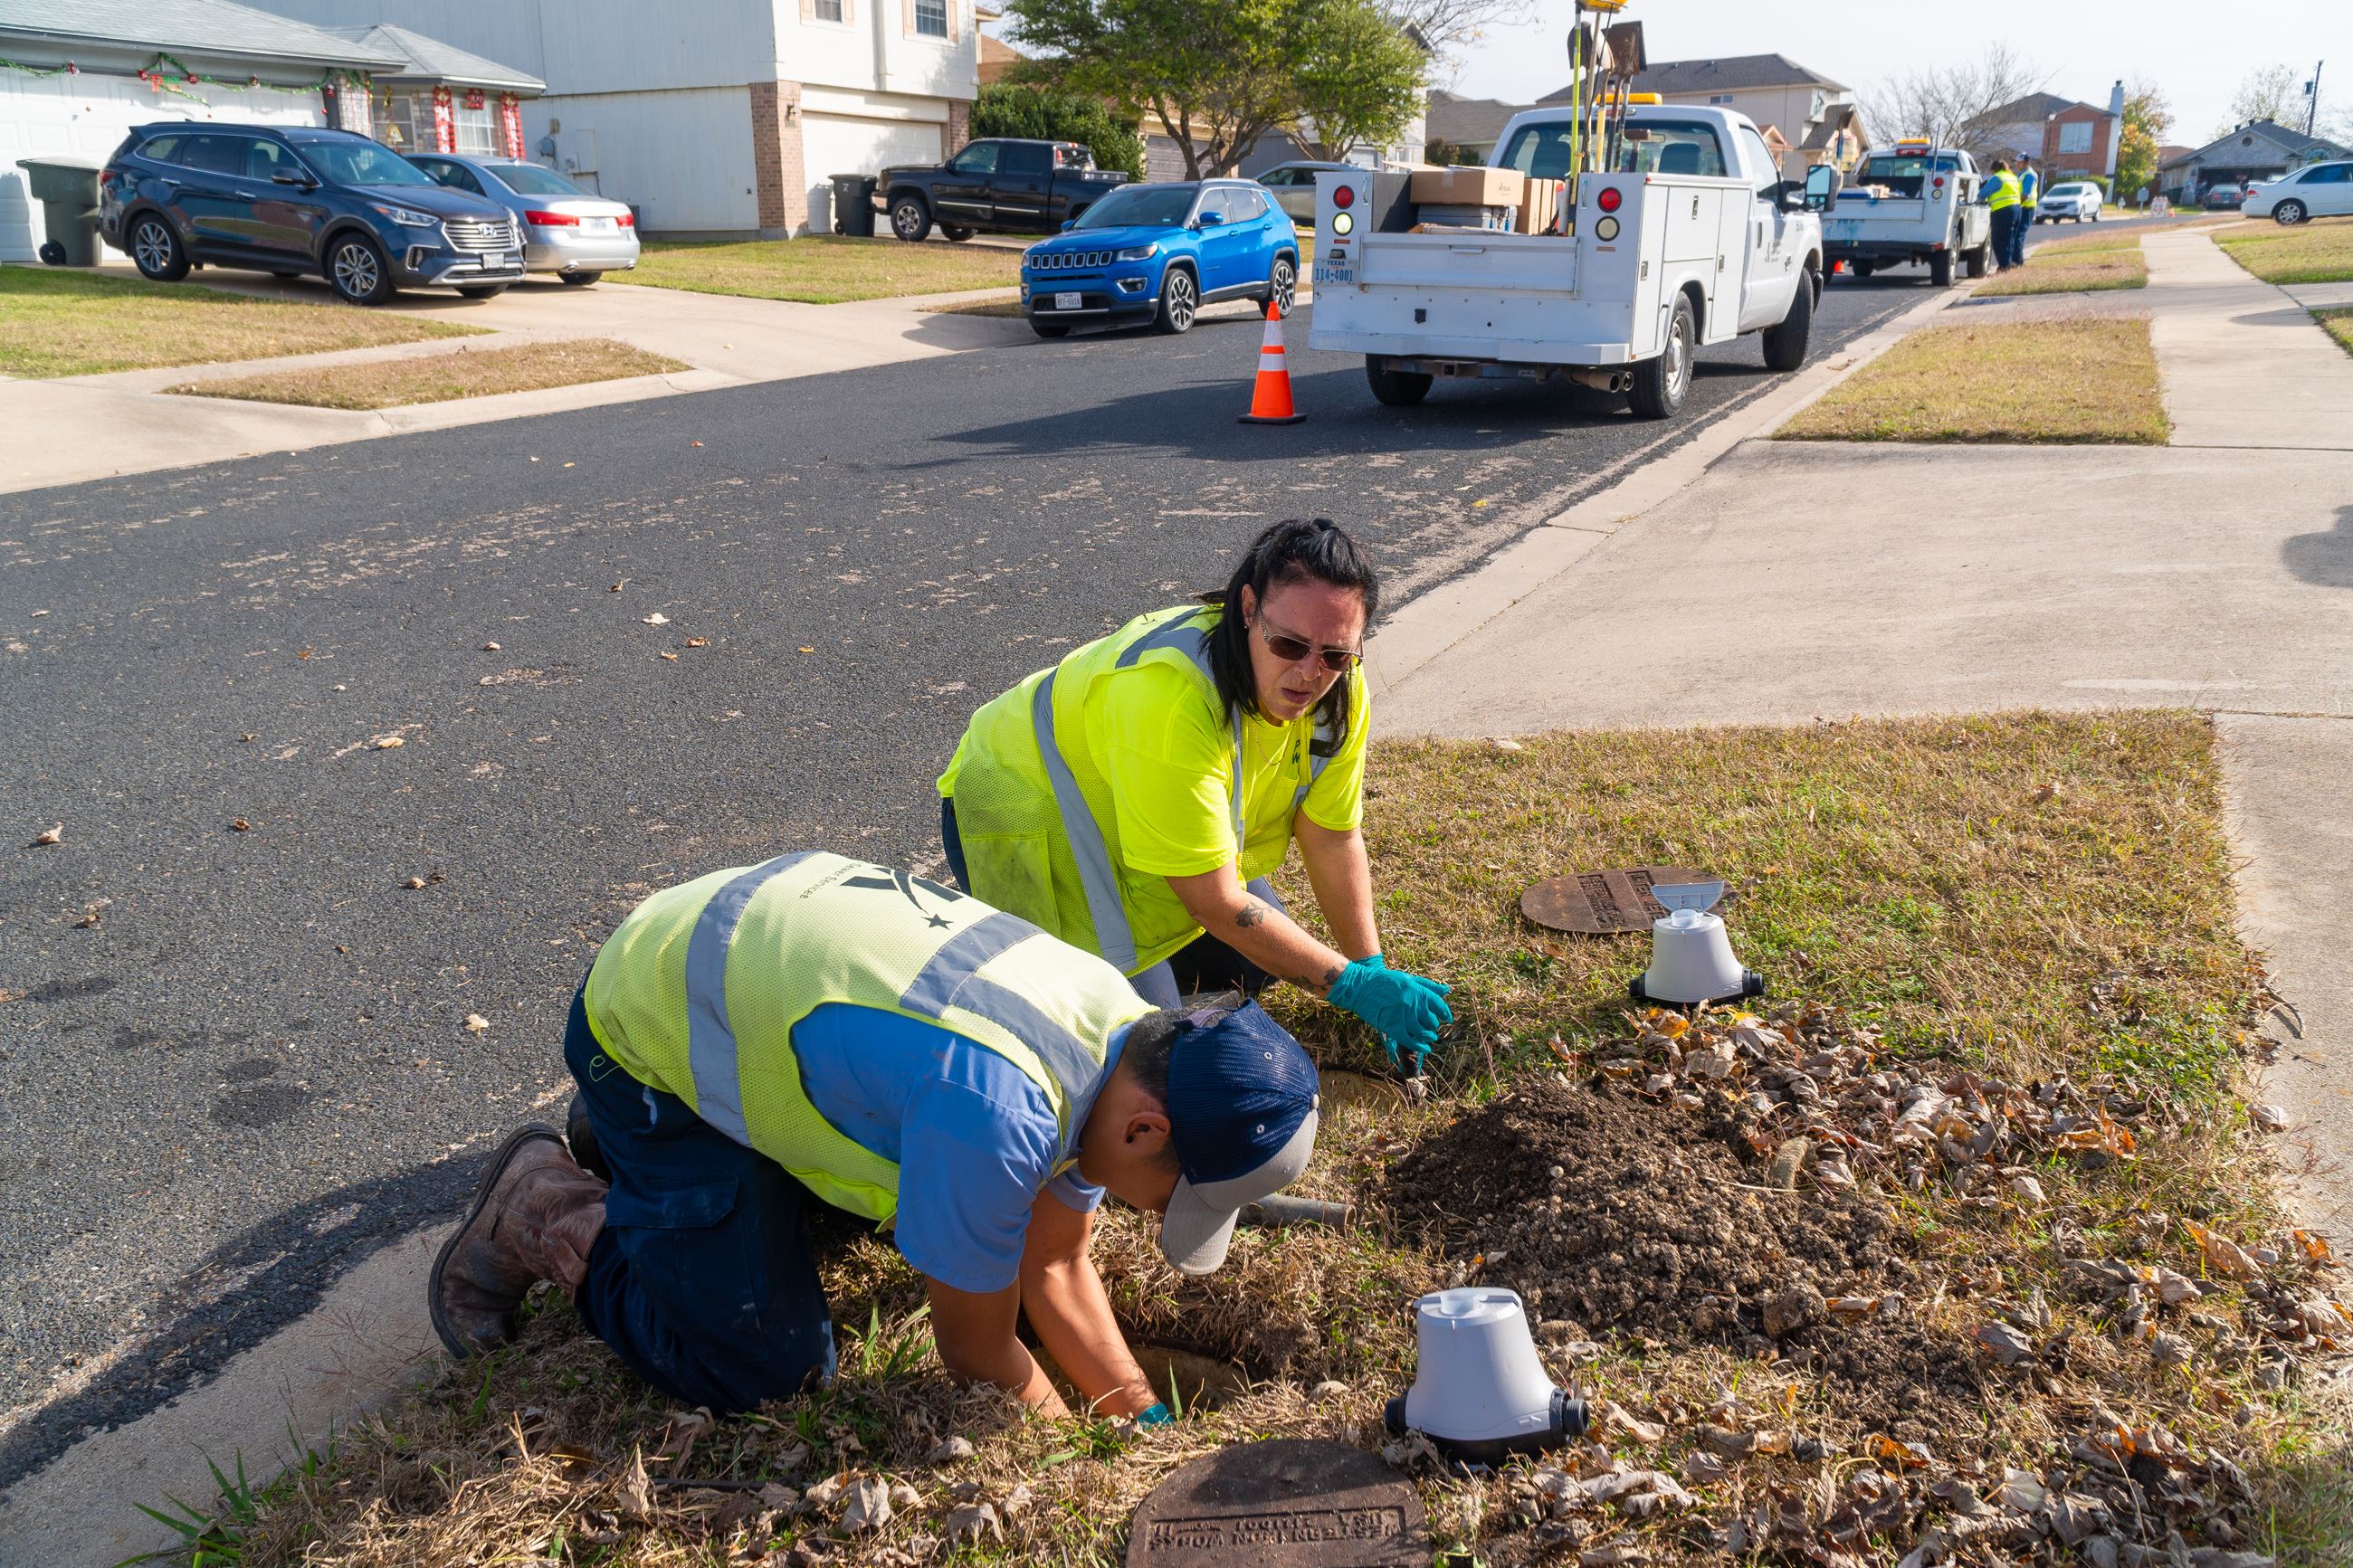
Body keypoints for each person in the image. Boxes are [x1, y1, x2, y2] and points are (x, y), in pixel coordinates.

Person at [427, 850, 1322, 1421]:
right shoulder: (1000, 1113)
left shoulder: (1126, 1035)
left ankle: (642, 1148)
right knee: (768, 1374)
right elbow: (975, 1352)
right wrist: (1081, 1467)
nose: (1161, 1209)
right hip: (647, 1012)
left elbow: (1050, 1259)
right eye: (1174, 1193)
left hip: (746, 966)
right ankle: (547, 1201)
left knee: (936, 1212)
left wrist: (1136, 1418)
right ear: (1144, 1126)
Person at [937, 519, 1453, 1068]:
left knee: (1252, 967)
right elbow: (1216, 900)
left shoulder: (1338, 689)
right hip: (1031, 809)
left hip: (1137, 803)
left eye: (1335, 654)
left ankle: (1155, 985)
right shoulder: (1170, 699)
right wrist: (1348, 987)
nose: (1309, 673)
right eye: (1289, 644)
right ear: (1248, 609)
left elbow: (1330, 834)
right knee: (1140, 1056)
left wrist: (1368, 966)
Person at [1985, 160, 2022, 271]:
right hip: (2017, 209)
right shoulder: (2013, 177)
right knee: (2010, 239)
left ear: (1993, 169)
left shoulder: (1997, 178)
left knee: (1999, 241)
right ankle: (2008, 264)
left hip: (2002, 211)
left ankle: (2004, 267)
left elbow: (1983, 193)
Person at [2015, 157, 2040, 259]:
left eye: (2019, 162)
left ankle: (2017, 261)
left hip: (2027, 207)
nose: (2017, 164)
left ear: (2025, 163)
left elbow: (2026, 194)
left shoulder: (2030, 175)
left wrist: (2017, 204)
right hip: (2022, 207)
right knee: (2016, 234)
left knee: (2019, 234)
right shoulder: (2021, 174)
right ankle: (2015, 259)